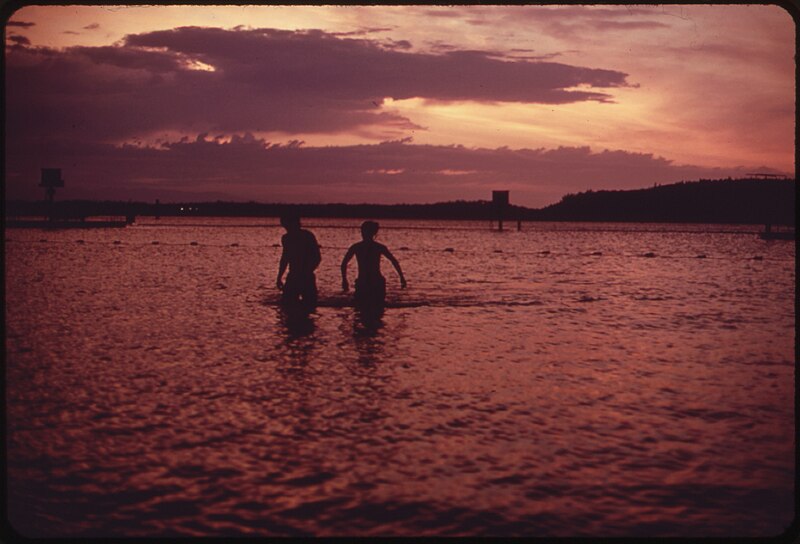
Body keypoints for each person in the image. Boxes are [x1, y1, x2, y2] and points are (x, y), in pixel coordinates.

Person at [341, 220, 406, 309]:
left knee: (376, 308)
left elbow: (394, 261)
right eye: (363, 231)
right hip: (363, 282)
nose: (364, 233)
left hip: (376, 282)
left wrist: (402, 277)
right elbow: (344, 264)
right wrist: (344, 280)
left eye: (366, 231)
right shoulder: (356, 247)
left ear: (373, 233)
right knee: (360, 309)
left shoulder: (379, 247)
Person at [276, 214, 321, 311]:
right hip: (293, 275)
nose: (286, 227)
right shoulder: (286, 238)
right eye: (284, 225)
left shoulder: (307, 236)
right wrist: (279, 277)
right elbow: (285, 258)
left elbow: (317, 257)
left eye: (287, 224)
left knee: (310, 304)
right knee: (286, 305)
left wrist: (307, 270)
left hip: (307, 276)